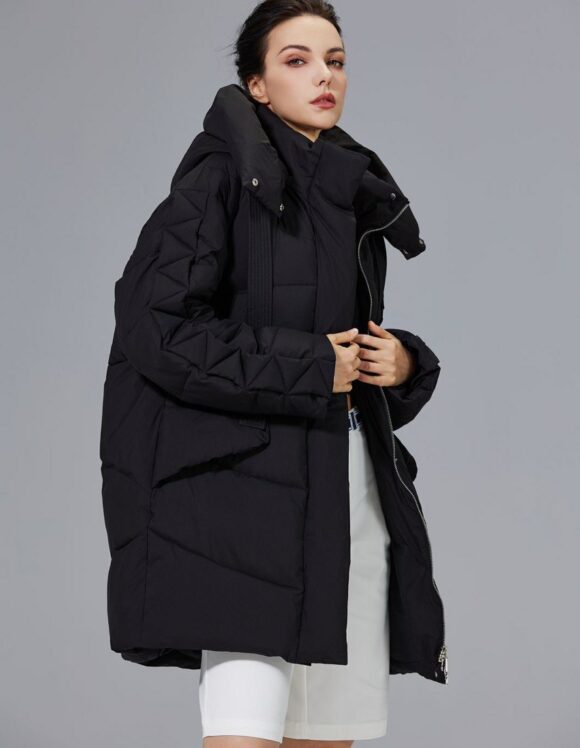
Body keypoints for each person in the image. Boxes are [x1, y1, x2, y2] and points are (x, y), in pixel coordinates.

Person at [99, 1, 446, 746]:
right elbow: (158, 330)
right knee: (245, 732)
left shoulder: (347, 189)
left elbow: (337, 349)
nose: (325, 76)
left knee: (330, 734)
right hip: (244, 512)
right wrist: (313, 365)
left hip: (344, 490)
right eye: (297, 60)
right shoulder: (219, 180)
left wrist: (403, 364)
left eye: (336, 61)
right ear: (255, 84)